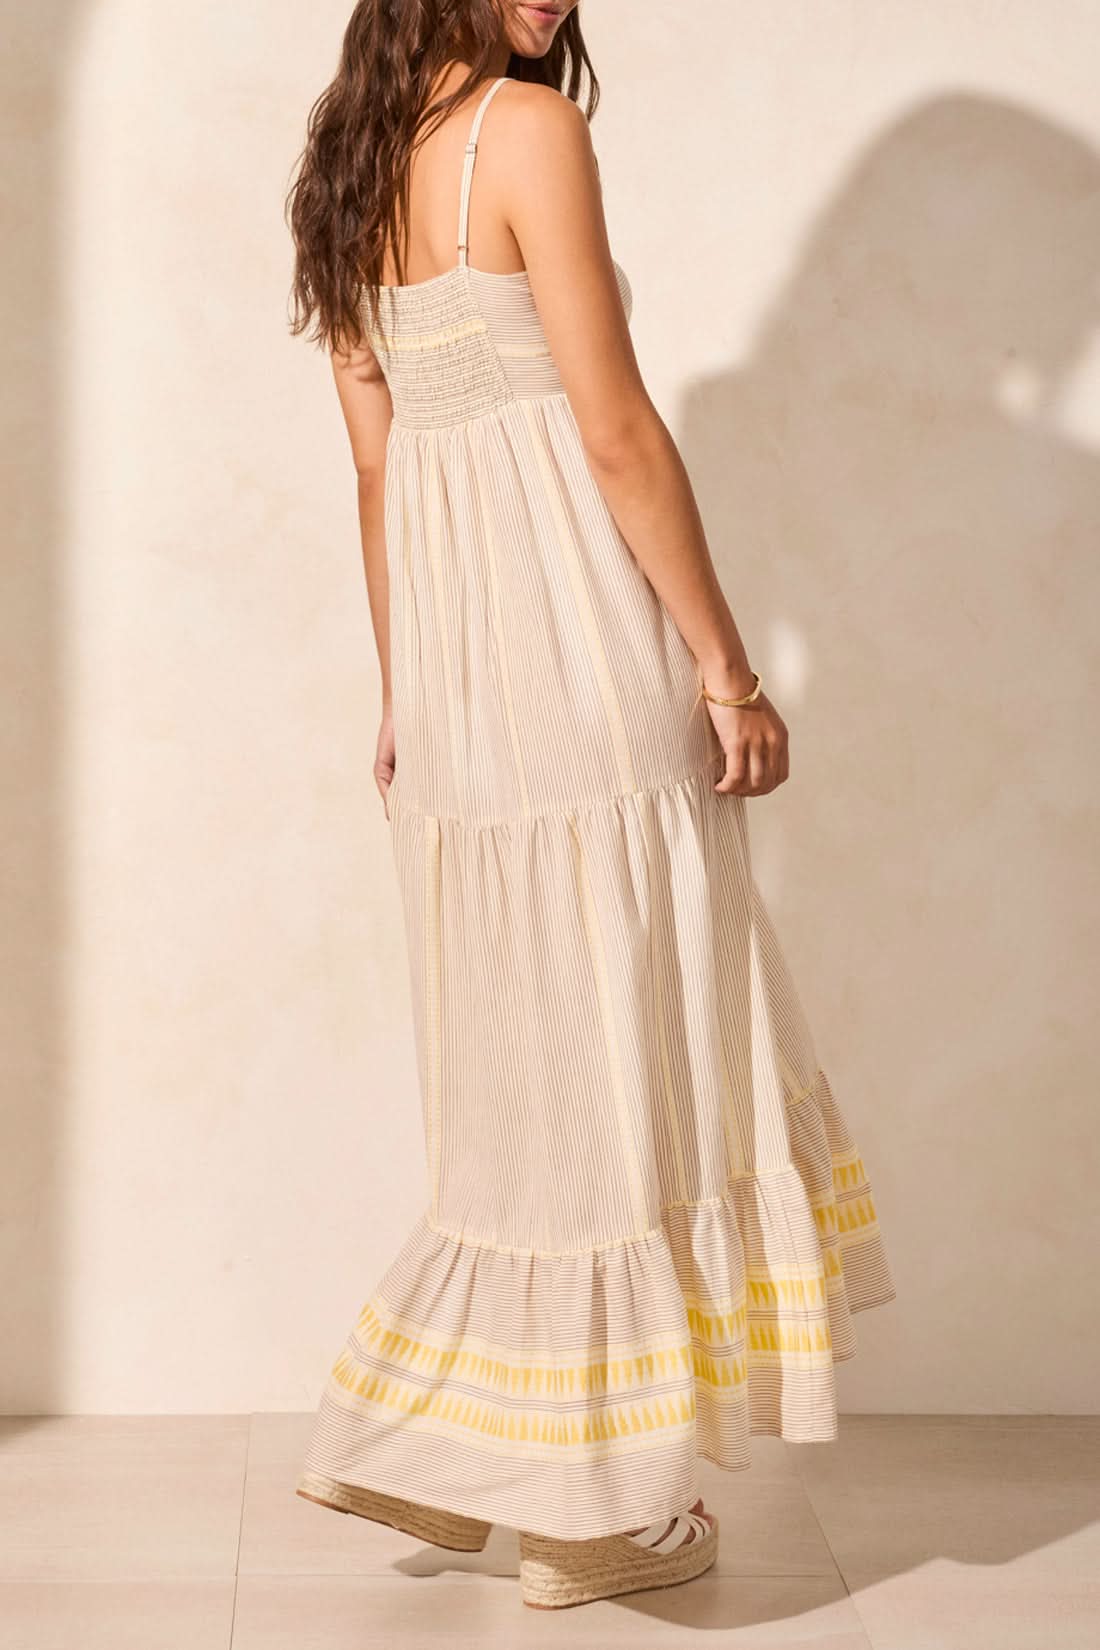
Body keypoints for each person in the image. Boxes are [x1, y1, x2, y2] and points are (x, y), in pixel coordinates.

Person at [285, 0, 896, 1613]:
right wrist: (727, 668)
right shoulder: (526, 131)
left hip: (467, 683)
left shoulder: (343, 170)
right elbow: (614, 431)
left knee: (531, 1074)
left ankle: (495, 1455)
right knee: (626, 1043)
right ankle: (601, 1511)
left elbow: (377, 469)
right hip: (573, 649)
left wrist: (413, 693)